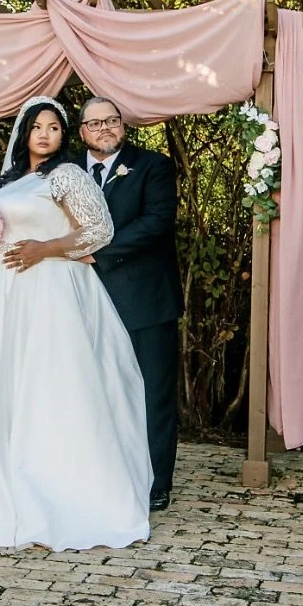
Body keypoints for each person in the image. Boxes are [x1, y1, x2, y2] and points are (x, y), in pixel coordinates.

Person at [0, 96, 153, 551]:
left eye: (54, 127)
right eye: (37, 127)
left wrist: (45, 248)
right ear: (24, 132)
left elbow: (98, 230)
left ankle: (51, 480)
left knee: (46, 379)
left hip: (46, 287)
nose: (44, 134)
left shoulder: (66, 175)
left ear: (64, 135)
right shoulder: (6, 180)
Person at [76, 96, 182, 511]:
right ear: (82, 132)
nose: (104, 128)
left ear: (123, 125)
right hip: (80, 301)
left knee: (152, 393)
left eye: (112, 120)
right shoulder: (65, 170)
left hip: (145, 301)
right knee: (89, 391)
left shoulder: (153, 166)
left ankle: (155, 482)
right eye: (94, 123)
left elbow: (156, 222)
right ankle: (100, 474)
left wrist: (97, 253)